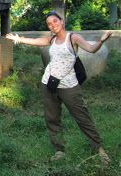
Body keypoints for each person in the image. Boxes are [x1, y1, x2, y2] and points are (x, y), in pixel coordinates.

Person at [6, 11, 112, 164]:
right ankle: (59, 150)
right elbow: (36, 41)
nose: (52, 25)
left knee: (82, 117)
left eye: (55, 21)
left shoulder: (73, 38)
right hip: (48, 84)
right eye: (49, 24)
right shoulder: (52, 39)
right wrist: (19, 39)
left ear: (61, 21)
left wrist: (101, 41)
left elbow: (91, 49)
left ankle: (99, 148)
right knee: (52, 118)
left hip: (69, 86)